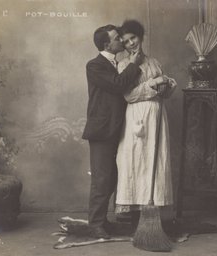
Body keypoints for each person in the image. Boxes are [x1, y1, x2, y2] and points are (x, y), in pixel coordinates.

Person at [82, 24, 144, 239]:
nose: (122, 41)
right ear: (107, 44)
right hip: (102, 130)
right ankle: (95, 224)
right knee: (102, 178)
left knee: (116, 177)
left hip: (121, 128)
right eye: (118, 38)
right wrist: (134, 65)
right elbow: (118, 85)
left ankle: (102, 221)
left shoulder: (118, 63)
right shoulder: (95, 65)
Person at [115, 20, 177, 223]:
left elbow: (164, 93)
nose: (131, 44)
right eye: (125, 42)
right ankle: (134, 209)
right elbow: (129, 96)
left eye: (133, 38)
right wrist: (153, 83)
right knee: (137, 159)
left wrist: (166, 84)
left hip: (157, 116)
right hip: (137, 117)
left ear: (140, 36)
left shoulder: (154, 62)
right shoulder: (123, 65)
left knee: (155, 158)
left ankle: (153, 207)